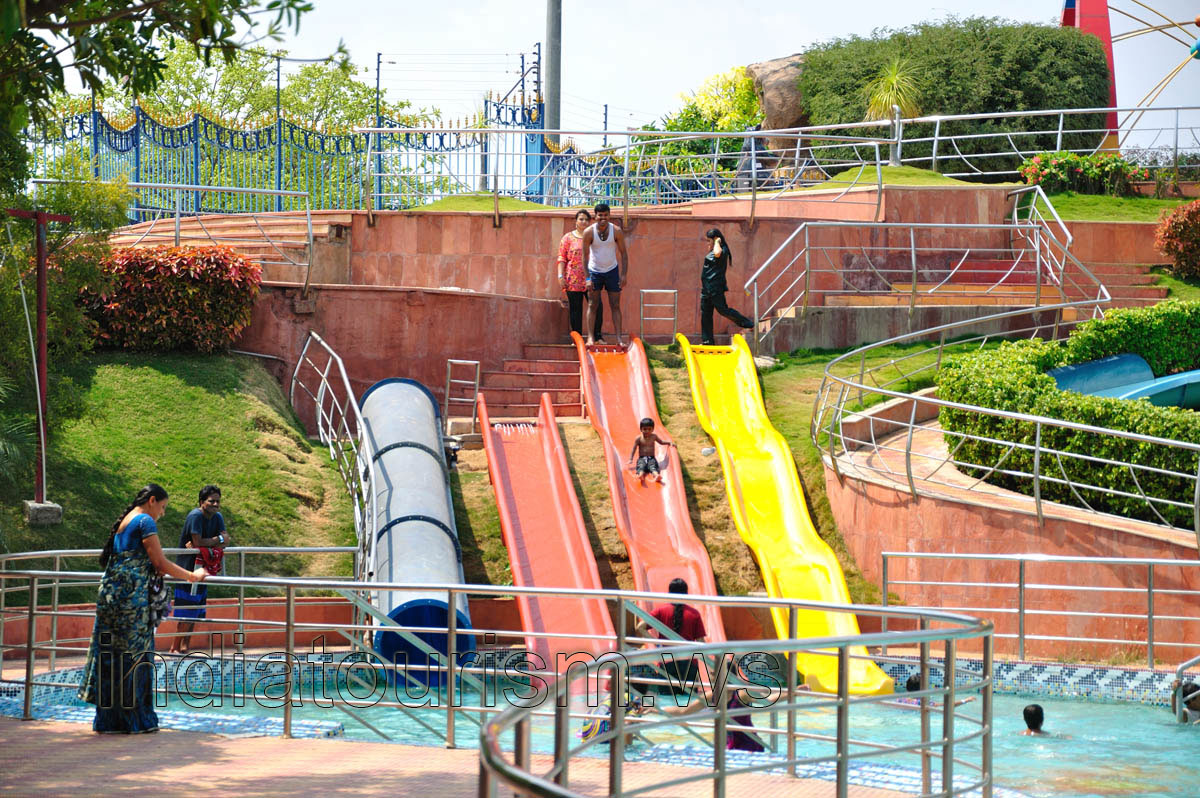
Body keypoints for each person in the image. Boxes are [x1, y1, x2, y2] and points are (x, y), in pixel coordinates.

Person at [78, 484, 206, 733]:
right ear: (152, 501)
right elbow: (159, 562)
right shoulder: (145, 521)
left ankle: (109, 721)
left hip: (110, 596)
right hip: (131, 600)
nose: (162, 513)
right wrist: (192, 575)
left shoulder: (125, 521)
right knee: (135, 656)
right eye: (163, 507)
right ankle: (134, 721)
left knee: (112, 655)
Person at [170, 484, 228, 655]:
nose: (215, 505)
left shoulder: (218, 517)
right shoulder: (195, 516)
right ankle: (175, 646)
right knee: (186, 609)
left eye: (218, 501)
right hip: (187, 570)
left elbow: (226, 541)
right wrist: (217, 539)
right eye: (211, 501)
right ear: (202, 502)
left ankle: (184, 647)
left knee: (195, 610)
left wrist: (211, 540)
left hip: (203, 569)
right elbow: (197, 542)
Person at [636, 578, 706, 694]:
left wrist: (657, 644)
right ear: (686, 594)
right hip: (689, 663)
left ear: (669, 593)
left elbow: (640, 627)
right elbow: (701, 642)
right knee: (689, 702)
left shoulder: (660, 611)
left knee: (666, 699)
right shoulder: (694, 614)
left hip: (667, 661)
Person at [581, 202, 630, 346]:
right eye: (600, 215)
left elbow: (624, 254)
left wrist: (624, 274)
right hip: (595, 271)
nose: (603, 218)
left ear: (609, 216)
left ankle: (619, 339)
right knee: (592, 304)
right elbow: (584, 256)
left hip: (612, 271)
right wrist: (588, 278)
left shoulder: (616, 231)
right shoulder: (589, 232)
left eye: (606, 215)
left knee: (615, 304)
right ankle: (590, 337)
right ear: (595, 216)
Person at [699, 228, 755, 346]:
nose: (708, 243)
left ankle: (748, 324)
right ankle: (707, 341)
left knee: (723, 310)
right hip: (706, 289)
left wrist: (717, 242)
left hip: (715, 288)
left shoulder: (722, 250)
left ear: (716, 240)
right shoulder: (712, 251)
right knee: (706, 315)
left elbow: (717, 253)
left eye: (710, 241)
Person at [557, 209, 604, 341]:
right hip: (573, 278)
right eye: (581, 219)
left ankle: (597, 336)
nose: (583, 222)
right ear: (576, 221)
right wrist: (560, 276)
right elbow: (562, 257)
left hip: (592, 277)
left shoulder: (594, 236)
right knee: (575, 309)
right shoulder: (567, 238)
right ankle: (576, 338)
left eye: (586, 220)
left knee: (596, 306)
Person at [627, 417, 675, 486]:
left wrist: (669, 443)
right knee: (641, 466)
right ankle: (641, 475)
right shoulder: (638, 438)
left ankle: (656, 476)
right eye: (645, 429)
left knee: (653, 467)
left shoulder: (654, 437)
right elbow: (633, 448)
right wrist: (630, 459)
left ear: (653, 429)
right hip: (642, 458)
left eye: (649, 429)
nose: (647, 431)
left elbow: (661, 442)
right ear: (641, 429)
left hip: (651, 458)